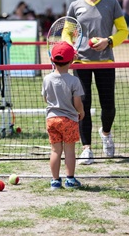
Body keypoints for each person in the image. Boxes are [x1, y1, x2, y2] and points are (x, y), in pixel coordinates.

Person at [67, 0, 129, 165]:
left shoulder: (112, 3)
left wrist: (108, 41)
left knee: (108, 106)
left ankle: (106, 134)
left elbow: (123, 31)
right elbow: (67, 32)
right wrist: (71, 47)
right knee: (82, 106)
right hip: (80, 62)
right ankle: (87, 149)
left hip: (105, 61)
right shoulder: (75, 5)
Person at [42, 41, 85, 190]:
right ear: (72, 60)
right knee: (69, 151)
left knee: (55, 151)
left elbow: (46, 99)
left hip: (51, 119)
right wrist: (81, 112)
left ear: (52, 60)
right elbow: (77, 102)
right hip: (69, 120)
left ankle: (55, 181)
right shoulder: (74, 80)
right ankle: (70, 180)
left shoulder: (47, 79)